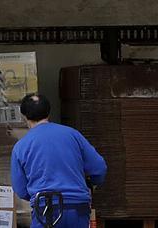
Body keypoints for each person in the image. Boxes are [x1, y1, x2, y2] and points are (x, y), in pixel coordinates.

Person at [10, 93, 107, 228]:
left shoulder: (21, 146)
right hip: (77, 208)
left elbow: (20, 189)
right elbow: (99, 167)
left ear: (24, 115)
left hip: (45, 211)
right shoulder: (72, 135)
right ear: (49, 112)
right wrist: (91, 184)